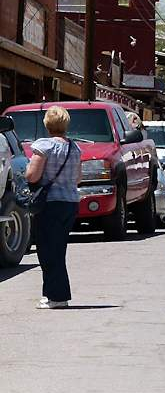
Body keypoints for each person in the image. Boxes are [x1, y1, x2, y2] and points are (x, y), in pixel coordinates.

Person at [26, 106, 81, 310]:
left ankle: (57, 297)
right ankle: (51, 294)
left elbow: (32, 176)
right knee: (57, 249)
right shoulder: (74, 148)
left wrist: (27, 172)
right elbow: (78, 178)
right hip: (70, 203)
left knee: (48, 251)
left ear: (47, 124)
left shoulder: (44, 146)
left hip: (50, 204)